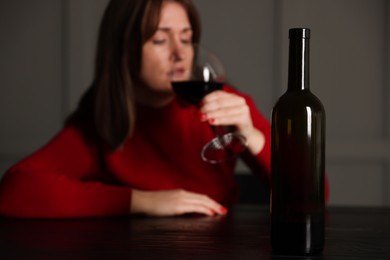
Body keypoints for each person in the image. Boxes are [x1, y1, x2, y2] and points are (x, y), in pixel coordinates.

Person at [0, 0, 327, 218]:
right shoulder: (103, 124)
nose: (180, 53)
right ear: (124, 50)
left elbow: (316, 194)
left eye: (186, 39)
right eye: (160, 40)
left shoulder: (224, 104)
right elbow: (13, 191)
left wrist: (252, 136)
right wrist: (139, 201)